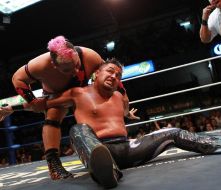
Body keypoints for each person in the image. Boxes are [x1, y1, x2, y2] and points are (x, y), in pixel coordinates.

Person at [2, 58, 221, 188]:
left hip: (129, 148)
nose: (114, 76)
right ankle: (106, 172)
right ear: (96, 73)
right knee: (77, 128)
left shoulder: (119, 96)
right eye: (110, 71)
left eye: (118, 75)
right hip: (99, 149)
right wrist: (9, 109)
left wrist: (127, 113)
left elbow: (122, 112)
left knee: (174, 131)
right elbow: (41, 104)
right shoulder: (76, 94)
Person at [0, 36, 130, 180]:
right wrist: (32, 100)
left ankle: (105, 151)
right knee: (52, 116)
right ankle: (54, 163)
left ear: (75, 52)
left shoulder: (90, 56)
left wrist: (123, 95)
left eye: (77, 64)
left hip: (82, 90)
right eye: (68, 69)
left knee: (100, 105)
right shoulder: (40, 65)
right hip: (54, 94)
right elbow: (17, 78)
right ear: (54, 65)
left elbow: (110, 72)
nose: (75, 71)